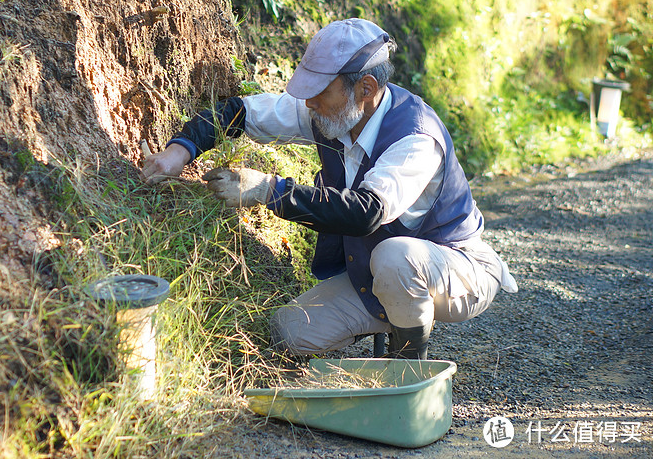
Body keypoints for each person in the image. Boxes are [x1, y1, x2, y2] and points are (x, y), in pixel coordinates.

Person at [141, 18, 517, 359]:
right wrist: (177, 153)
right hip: (375, 273)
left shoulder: (415, 137)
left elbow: (365, 212)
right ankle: (396, 313)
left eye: (320, 91)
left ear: (365, 88)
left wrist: (269, 190)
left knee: (396, 258)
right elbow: (242, 113)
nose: (308, 102)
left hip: (455, 267)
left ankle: (407, 369)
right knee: (288, 333)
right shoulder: (333, 112)